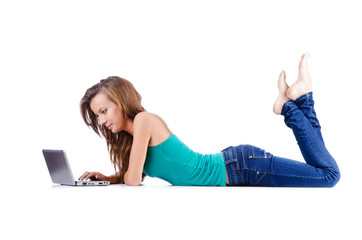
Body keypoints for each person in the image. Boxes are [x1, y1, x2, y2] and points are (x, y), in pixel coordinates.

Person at [79, 53, 340, 187]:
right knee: (325, 173)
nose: (101, 121)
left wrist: (121, 178)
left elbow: (133, 180)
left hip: (243, 167)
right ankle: (303, 97)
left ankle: (289, 107)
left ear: (121, 102)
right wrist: (108, 177)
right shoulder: (136, 136)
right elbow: (134, 175)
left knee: (329, 176)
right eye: (96, 115)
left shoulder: (144, 121)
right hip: (237, 166)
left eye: (104, 111)